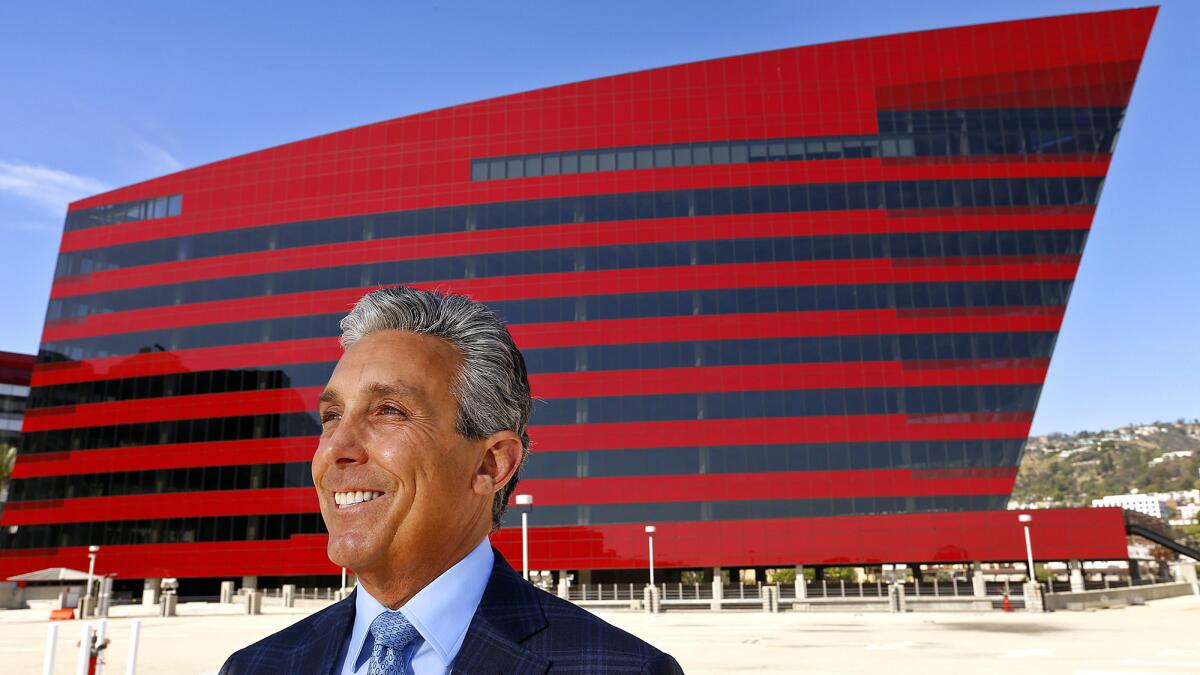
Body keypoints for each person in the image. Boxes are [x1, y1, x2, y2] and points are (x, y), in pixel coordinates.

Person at [221, 286, 682, 674]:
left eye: (389, 412)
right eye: (331, 416)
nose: (334, 450)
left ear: (490, 465)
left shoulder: (623, 668)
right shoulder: (254, 665)